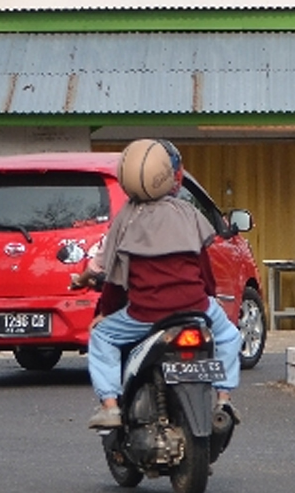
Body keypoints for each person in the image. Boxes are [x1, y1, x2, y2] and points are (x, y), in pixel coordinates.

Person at [73, 139, 241, 430]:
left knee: (101, 337)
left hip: (145, 314)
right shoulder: (188, 213)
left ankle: (110, 406)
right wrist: (208, 302)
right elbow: (205, 271)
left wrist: (104, 312)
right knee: (229, 335)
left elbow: (115, 279)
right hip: (196, 306)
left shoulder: (125, 219)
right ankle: (223, 398)